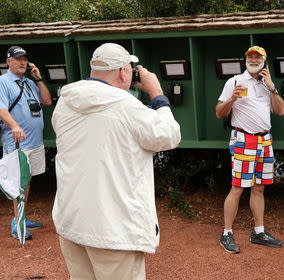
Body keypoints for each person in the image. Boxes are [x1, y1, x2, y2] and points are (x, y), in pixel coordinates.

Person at [51, 43, 181, 279]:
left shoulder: (65, 102)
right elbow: (169, 135)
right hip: (113, 229)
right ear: (123, 71)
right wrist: (157, 93)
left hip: (72, 221)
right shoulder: (125, 105)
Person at [216, 46, 284, 253]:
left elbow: (280, 111)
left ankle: (259, 231)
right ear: (246, 60)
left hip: (265, 140)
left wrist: (272, 87)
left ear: (264, 62)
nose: (254, 60)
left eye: (258, 57)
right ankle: (226, 233)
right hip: (243, 138)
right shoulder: (235, 81)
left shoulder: (267, 85)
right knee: (238, 187)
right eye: (250, 57)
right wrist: (232, 99)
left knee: (259, 187)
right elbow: (219, 113)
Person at [0, 46, 52, 240]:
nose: (22, 62)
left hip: (34, 142)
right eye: (18, 59)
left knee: (26, 180)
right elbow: (2, 110)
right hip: (17, 142)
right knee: (18, 181)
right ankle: (17, 223)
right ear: (8, 61)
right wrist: (14, 126)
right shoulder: (3, 82)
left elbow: (46, 101)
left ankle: (20, 217)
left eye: (24, 59)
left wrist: (38, 78)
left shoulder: (30, 82)